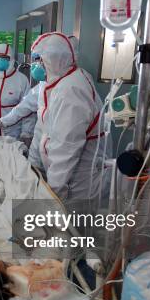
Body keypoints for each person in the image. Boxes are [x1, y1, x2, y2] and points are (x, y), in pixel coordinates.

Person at [29, 32, 106, 200]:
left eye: (39, 60)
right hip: (60, 175)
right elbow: (45, 128)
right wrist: (34, 164)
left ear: (53, 60)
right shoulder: (58, 83)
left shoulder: (70, 90)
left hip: (75, 181)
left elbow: (66, 148)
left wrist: (53, 194)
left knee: (72, 223)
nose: (36, 65)